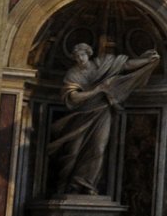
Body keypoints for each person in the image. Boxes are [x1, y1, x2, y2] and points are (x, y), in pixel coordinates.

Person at [47, 42, 160, 196]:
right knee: (72, 153)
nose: (80, 59)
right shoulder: (73, 74)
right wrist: (97, 90)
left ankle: (86, 184)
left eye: (83, 55)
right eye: (77, 56)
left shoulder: (103, 64)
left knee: (99, 148)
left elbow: (126, 65)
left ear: (89, 54)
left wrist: (147, 61)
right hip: (80, 116)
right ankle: (65, 187)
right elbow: (73, 98)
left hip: (103, 112)